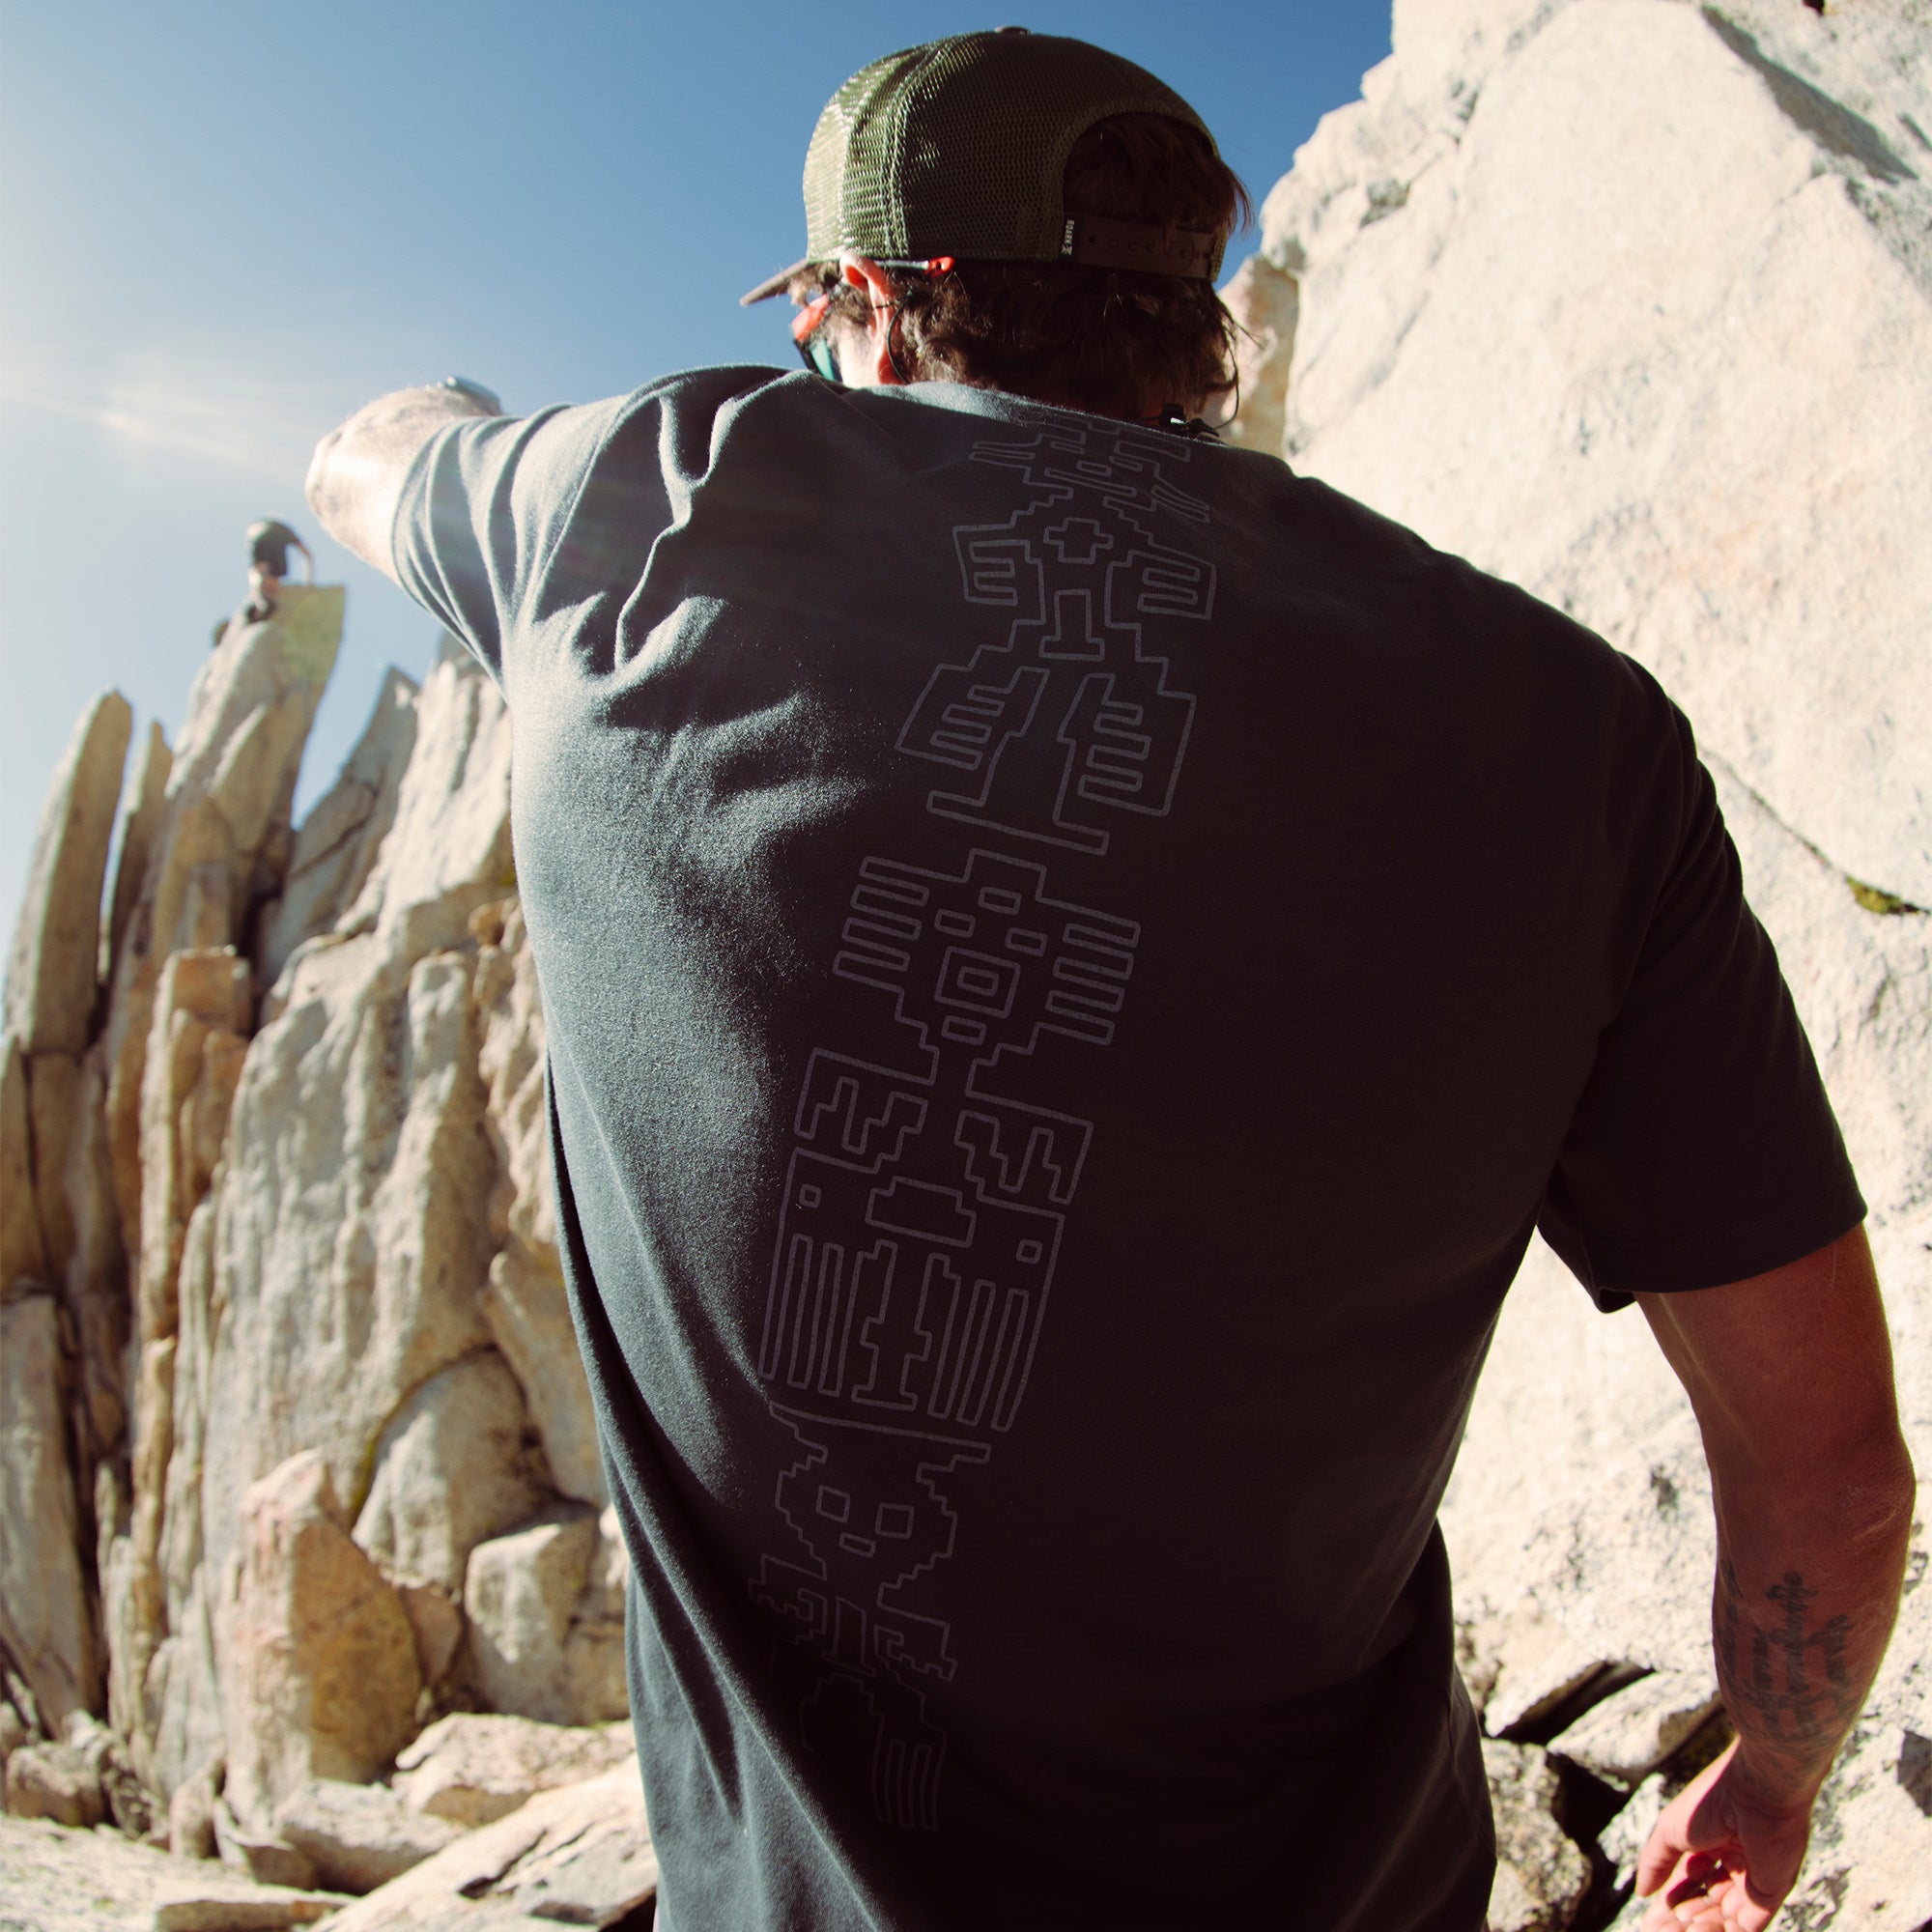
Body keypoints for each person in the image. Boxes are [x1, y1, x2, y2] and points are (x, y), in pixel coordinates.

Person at [305, 30, 1912, 1932]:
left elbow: (366, 454)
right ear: (1188, 326)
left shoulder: (640, 503)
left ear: (875, 307)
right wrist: (1776, 1769)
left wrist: (452, 423)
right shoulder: (1570, 737)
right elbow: (1825, 1469)